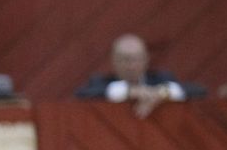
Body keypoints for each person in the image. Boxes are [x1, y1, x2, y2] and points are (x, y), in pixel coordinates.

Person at [74, 34, 202, 119]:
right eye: (125, 60)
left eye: (137, 59)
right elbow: (82, 94)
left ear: (146, 59)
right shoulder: (100, 81)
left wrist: (160, 93)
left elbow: (198, 90)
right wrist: (130, 91)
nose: (132, 66)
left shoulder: (161, 78)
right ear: (114, 60)